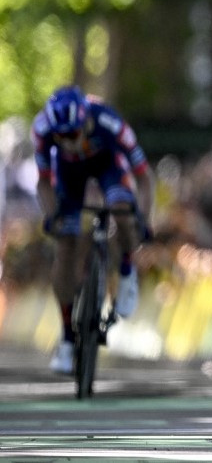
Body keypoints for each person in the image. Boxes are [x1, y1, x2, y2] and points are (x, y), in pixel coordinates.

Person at [32, 85, 155, 374]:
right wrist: (51, 216)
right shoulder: (42, 130)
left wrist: (144, 219)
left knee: (123, 213)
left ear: (86, 121)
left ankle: (127, 272)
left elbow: (144, 177)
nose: (67, 142)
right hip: (68, 175)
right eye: (60, 137)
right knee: (65, 245)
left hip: (108, 166)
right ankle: (66, 339)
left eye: (72, 134)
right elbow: (43, 182)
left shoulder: (110, 123)